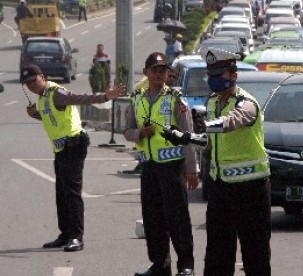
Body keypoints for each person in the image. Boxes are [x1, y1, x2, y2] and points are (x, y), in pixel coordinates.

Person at [163, 47, 272, 275]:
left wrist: (208, 125)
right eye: (210, 74)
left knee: (255, 253)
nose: (213, 80)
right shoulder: (212, 102)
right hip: (220, 188)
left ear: (233, 75)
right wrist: (185, 137)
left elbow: (233, 121)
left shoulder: (247, 103)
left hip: (250, 188)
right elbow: (210, 141)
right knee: (217, 254)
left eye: (218, 74)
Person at [22, 64, 126, 252]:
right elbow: (52, 118)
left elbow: (79, 98)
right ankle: (65, 234)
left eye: (33, 81)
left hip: (74, 145)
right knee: (61, 194)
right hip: (61, 149)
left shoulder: (56, 93)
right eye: (27, 84)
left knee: (72, 193)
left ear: (42, 77)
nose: (31, 86)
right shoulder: (43, 98)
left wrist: (104, 97)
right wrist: (35, 114)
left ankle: (77, 236)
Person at [124, 52, 198, 276]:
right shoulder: (136, 99)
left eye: (162, 70)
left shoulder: (175, 99)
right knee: (153, 219)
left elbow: (188, 135)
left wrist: (191, 169)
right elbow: (126, 131)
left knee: (177, 219)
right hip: (149, 167)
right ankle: (160, 265)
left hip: (172, 167)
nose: (158, 74)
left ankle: (186, 265)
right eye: (154, 69)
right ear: (145, 72)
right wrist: (139, 133)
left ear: (167, 73)